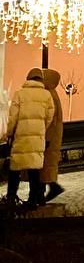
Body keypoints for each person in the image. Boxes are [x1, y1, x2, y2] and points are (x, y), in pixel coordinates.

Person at [5, 67, 54, 211]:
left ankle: (11, 197)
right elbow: (49, 116)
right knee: (34, 169)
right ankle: (33, 199)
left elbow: (13, 117)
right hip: (37, 137)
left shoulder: (20, 94)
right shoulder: (47, 95)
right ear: (41, 79)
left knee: (15, 168)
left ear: (28, 78)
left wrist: (9, 133)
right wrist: (41, 127)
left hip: (21, 137)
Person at [39, 68, 64, 203]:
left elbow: (50, 119)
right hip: (52, 136)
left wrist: (46, 137)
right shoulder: (52, 93)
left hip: (49, 136)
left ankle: (46, 191)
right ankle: (47, 190)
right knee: (45, 165)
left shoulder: (49, 95)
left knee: (43, 164)